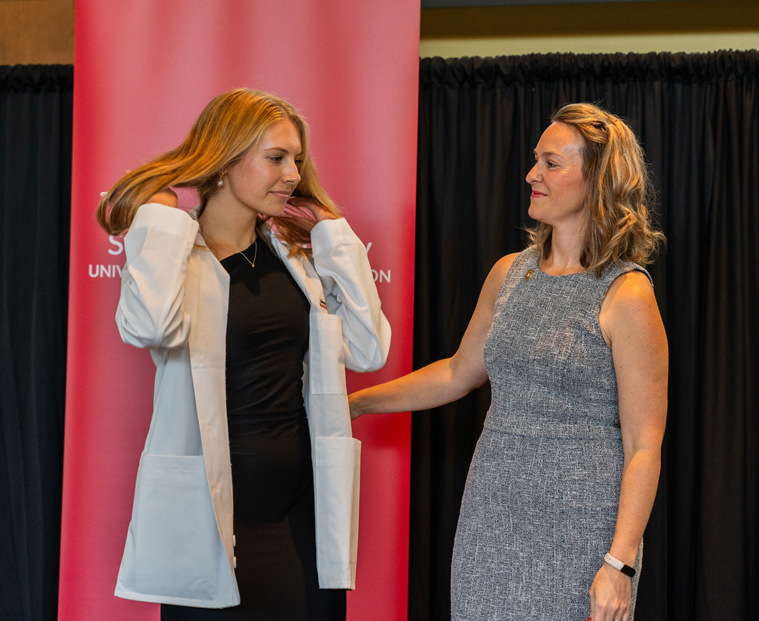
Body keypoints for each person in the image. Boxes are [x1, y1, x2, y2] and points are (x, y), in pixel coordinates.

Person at [349, 103, 667, 621]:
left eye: (551, 163)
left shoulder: (626, 293)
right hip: (491, 512)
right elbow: (457, 371)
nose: (531, 175)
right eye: (534, 161)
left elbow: (643, 446)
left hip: (580, 529)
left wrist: (620, 564)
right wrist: (357, 404)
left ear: (599, 180)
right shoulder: (509, 273)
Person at [96, 89, 391, 620]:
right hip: (209, 523)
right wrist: (163, 216)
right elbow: (149, 326)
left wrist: (331, 231)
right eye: (276, 158)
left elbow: (369, 349)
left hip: (300, 518)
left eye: (297, 160)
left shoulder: (299, 261)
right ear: (226, 161)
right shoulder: (179, 257)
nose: (293, 174)